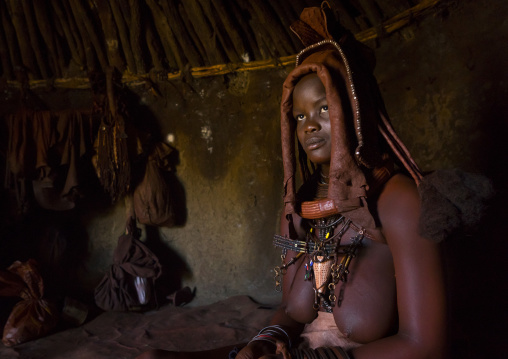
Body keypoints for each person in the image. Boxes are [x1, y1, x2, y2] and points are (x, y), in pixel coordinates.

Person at [138, 3, 457, 358]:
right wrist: (262, 343)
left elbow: (425, 345)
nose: (308, 126)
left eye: (324, 108)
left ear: (355, 110)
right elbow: (291, 312)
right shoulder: (304, 206)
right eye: (299, 115)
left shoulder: (399, 200)